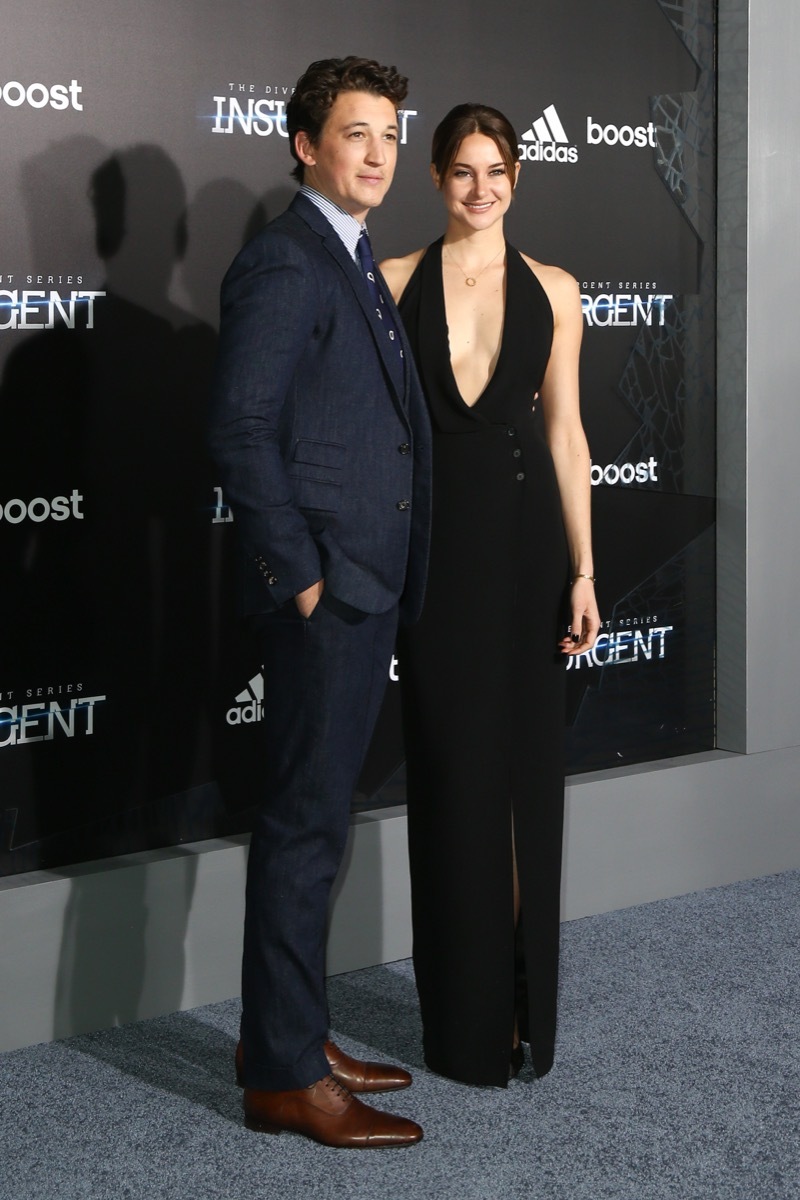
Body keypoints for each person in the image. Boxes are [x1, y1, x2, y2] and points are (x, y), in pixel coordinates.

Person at [208, 56, 431, 1146]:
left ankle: (285, 1034)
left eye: (390, 134)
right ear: (304, 144)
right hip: (326, 596)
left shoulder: (350, 257)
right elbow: (240, 432)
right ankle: (285, 1080)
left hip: (363, 587)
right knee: (303, 827)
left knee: (316, 824)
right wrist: (300, 576)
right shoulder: (286, 262)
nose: (380, 153)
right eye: (356, 133)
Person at [381, 103, 600, 1088]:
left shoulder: (556, 289)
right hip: (433, 562)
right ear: (434, 177)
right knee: (450, 786)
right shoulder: (389, 284)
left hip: (526, 557)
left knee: (522, 790)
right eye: (462, 171)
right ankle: (460, 1027)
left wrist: (585, 570)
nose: (481, 188)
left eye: (497, 169)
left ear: (518, 175)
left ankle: (521, 1012)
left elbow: (565, 434)